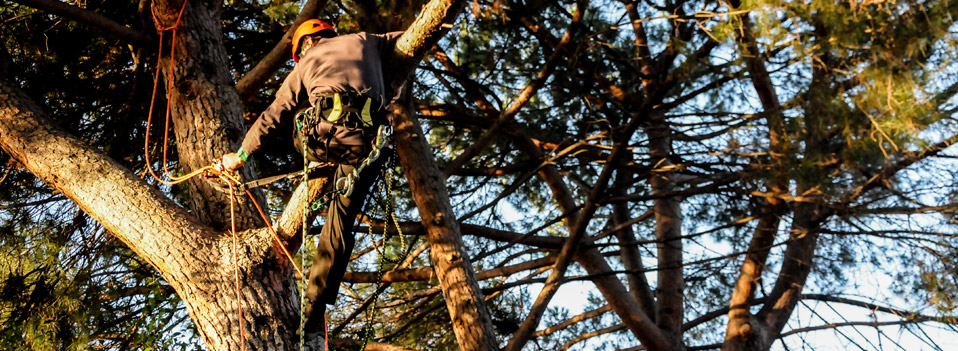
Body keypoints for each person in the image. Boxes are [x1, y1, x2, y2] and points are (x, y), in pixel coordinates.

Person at [221, 19, 401, 337]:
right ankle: (315, 305)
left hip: (325, 138)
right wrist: (391, 85)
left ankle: (319, 163)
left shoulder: (306, 64)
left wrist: (241, 156)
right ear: (329, 34)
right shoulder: (368, 39)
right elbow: (412, 39)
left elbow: (274, 114)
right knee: (340, 224)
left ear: (304, 45)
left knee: (297, 117)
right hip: (370, 143)